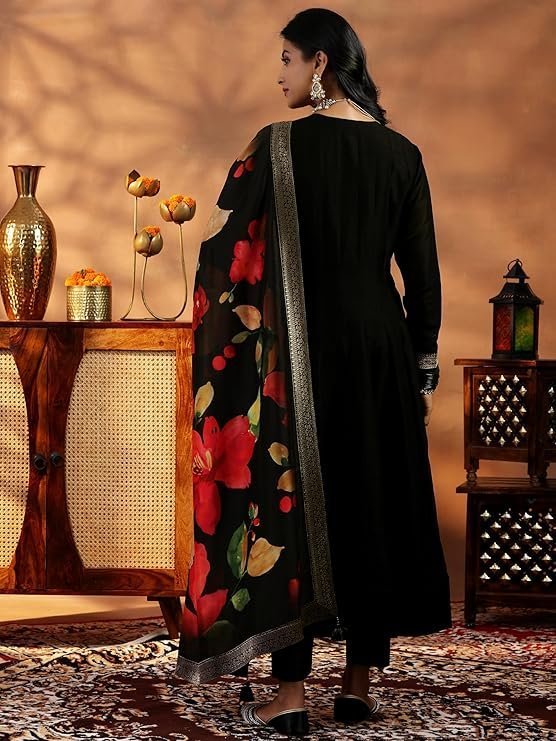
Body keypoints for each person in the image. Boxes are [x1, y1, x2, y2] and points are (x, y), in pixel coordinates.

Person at [175, 7, 452, 736]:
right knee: (369, 502)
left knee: (291, 505)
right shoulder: (402, 154)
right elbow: (423, 279)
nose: (280, 75)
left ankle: (291, 695)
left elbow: (225, 248)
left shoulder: (276, 146)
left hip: (299, 352)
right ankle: (357, 685)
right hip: (381, 349)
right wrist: (421, 366)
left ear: (320, 62)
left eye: (287, 59)